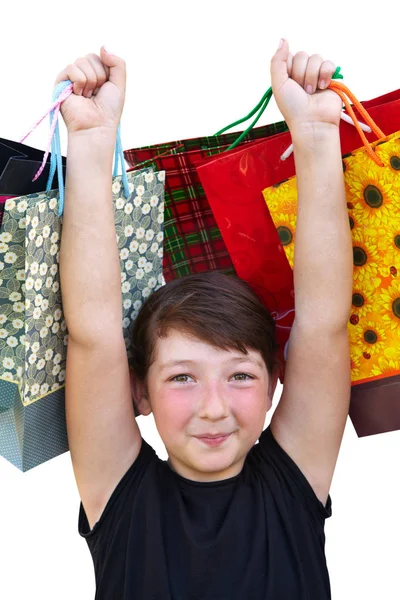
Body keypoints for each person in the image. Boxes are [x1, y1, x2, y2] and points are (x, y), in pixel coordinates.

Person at [58, 39, 353, 599]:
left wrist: (316, 138)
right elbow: (94, 335)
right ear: (138, 391)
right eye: (182, 377)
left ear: (274, 382)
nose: (213, 407)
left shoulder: (293, 483)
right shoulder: (119, 494)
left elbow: (321, 323)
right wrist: (93, 145)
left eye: (240, 375)